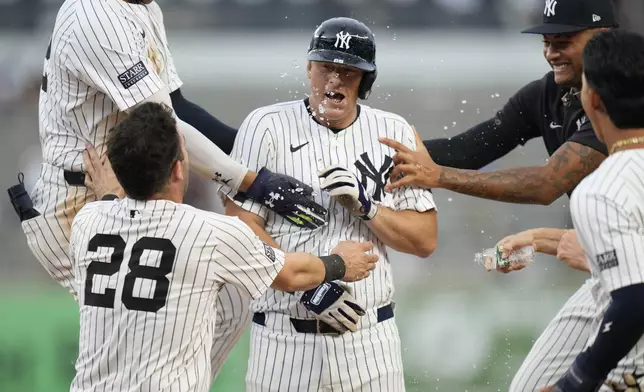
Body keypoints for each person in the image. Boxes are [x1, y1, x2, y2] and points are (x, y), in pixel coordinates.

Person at [5, 0, 328, 383]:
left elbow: (179, 108)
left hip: (119, 195)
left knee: (224, 305)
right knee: (142, 341)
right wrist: (250, 179)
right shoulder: (95, 14)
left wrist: (260, 157)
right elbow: (167, 127)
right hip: (76, 205)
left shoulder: (143, 9)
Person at [378, 0, 618, 390]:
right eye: (547, 40)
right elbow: (476, 146)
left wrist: (438, 177)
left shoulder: (624, 102)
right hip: (609, 278)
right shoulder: (552, 94)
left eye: (565, 40)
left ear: (603, 37)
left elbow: (546, 184)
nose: (551, 51)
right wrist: (377, 153)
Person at [67, 101, 378, 392]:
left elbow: (112, 208)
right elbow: (290, 275)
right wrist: (339, 262)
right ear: (177, 169)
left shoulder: (88, 221)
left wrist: (109, 195)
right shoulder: (211, 233)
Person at [224, 17, 438, 391]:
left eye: (348, 71)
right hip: (284, 341)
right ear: (309, 68)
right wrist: (311, 284)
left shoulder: (394, 131)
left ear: (365, 80)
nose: (335, 81)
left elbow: (424, 240)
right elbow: (242, 228)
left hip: (369, 337)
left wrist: (367, 207)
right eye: (326, 67)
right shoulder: (265, 125)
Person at [495, 29, 644, 392]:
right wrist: (543, 239)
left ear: (591, 100)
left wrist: (576, 382)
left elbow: (634, 298)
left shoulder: (600, 188)